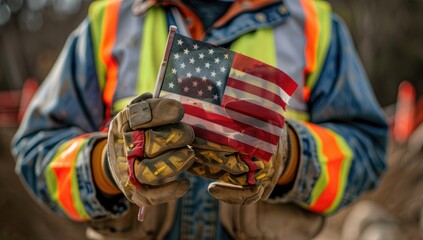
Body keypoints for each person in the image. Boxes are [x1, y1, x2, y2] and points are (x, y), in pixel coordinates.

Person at [11, 0, 388, 239]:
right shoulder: (108, 22)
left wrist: (291, 160)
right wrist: (104, 167)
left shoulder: (314, 25)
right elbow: (35, 150)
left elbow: (368, 148)